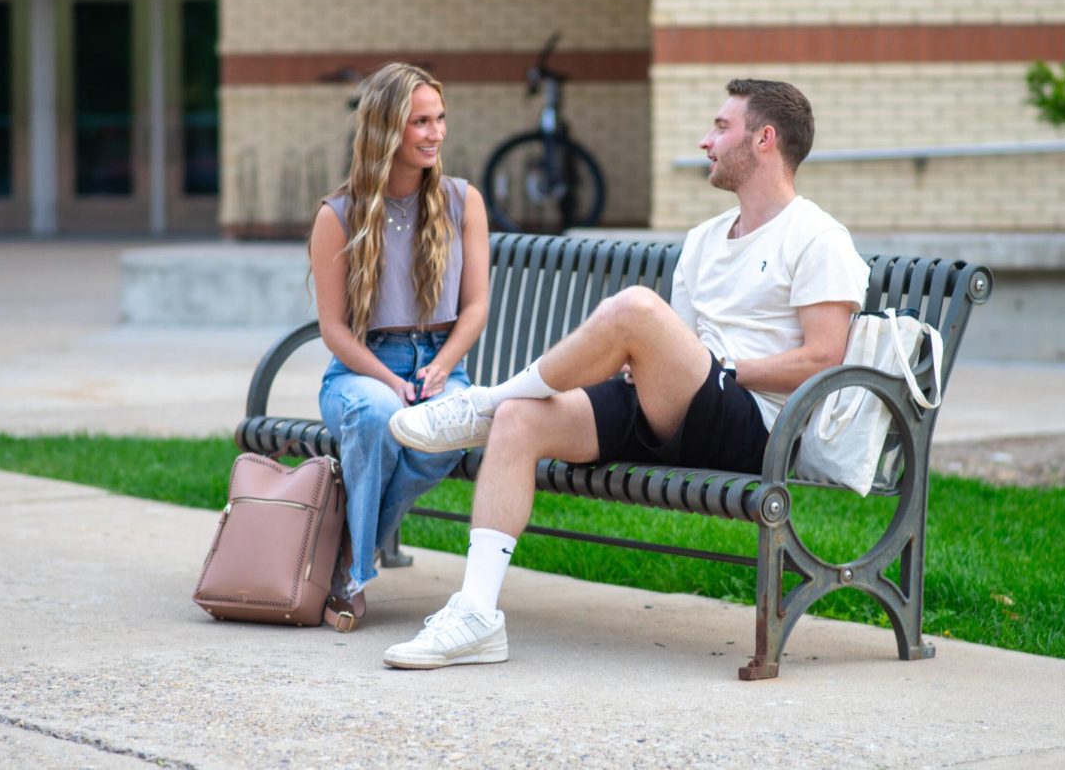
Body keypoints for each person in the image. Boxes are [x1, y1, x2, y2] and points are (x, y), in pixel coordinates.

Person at [383, 79, 868, 668]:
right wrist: (664, 365)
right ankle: (477, 616)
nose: (705, 140)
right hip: (678, 405)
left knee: (636, 308)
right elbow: (680, 345)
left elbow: (826, 360)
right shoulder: (704, 239)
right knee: (519, 421)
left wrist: (726, 370)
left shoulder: (818, 238)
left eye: (721, 127)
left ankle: (483, 401)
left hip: (755, 428)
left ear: (764, 139)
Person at [309, 62, 489, 626]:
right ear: (387, 128)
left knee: (450, 430)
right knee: (379, 415)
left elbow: (475, 306)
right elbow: (334, 329)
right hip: (363, 369)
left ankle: (342, 556)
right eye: (420, 122)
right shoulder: (338, 216)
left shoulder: (463, 202)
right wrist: (389, 380)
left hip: (439, 365)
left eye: (440, 119)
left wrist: (441, 367)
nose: (436, 133)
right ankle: (358, 578)